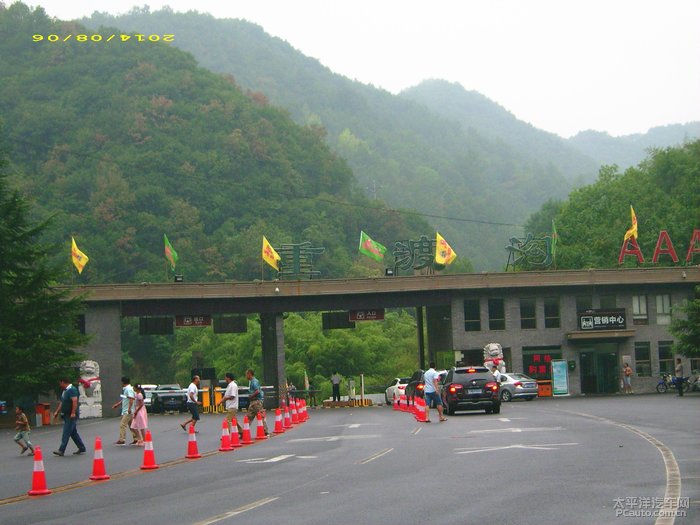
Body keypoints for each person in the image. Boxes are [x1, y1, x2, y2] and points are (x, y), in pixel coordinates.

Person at [52, 377, 87, 456]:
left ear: (63, 382)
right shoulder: (65, 391)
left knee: (66, 432)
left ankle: (61, 450)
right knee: (73, 432)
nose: (60, 385)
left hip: (70, 415)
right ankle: (81, 447)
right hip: (66, 414)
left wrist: (73, 412)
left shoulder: (72, 389)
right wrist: (57, 411)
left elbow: (74, 401)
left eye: (60, 383)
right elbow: (62, 402)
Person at [111, 376, 137, 445]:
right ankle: (136, 438)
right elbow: (125, 398)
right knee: (131, 425)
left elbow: (131, 399)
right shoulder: (127, 389)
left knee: (122, 424)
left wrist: (129, 409)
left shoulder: (128, 389)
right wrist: (118, 404)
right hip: (128, 410)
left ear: (123, 382)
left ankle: (122, 440)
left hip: (128, 411)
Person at [218, 373, 243, 437]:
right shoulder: (229, 385)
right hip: (230, 406)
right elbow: (226, 396)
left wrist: (225, 398)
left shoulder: (233, 385)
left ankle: (226, 434)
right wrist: (221, 401)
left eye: (225, 377)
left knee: (227, 421)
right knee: (234, 420)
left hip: (232, 406)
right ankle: (242, 432)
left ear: (228, 378)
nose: (225, 379)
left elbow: (232, 396)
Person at [246, 369, 268, 436]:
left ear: (250, 374)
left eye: (246, 374)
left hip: (256, 401)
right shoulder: (252, 381)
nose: (246, 376)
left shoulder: (254, 381)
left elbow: (257, 391)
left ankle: (265, 430)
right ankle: (244, 431)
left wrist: (251, 396)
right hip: (253, 402)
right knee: (249, 417)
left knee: (260, 416)